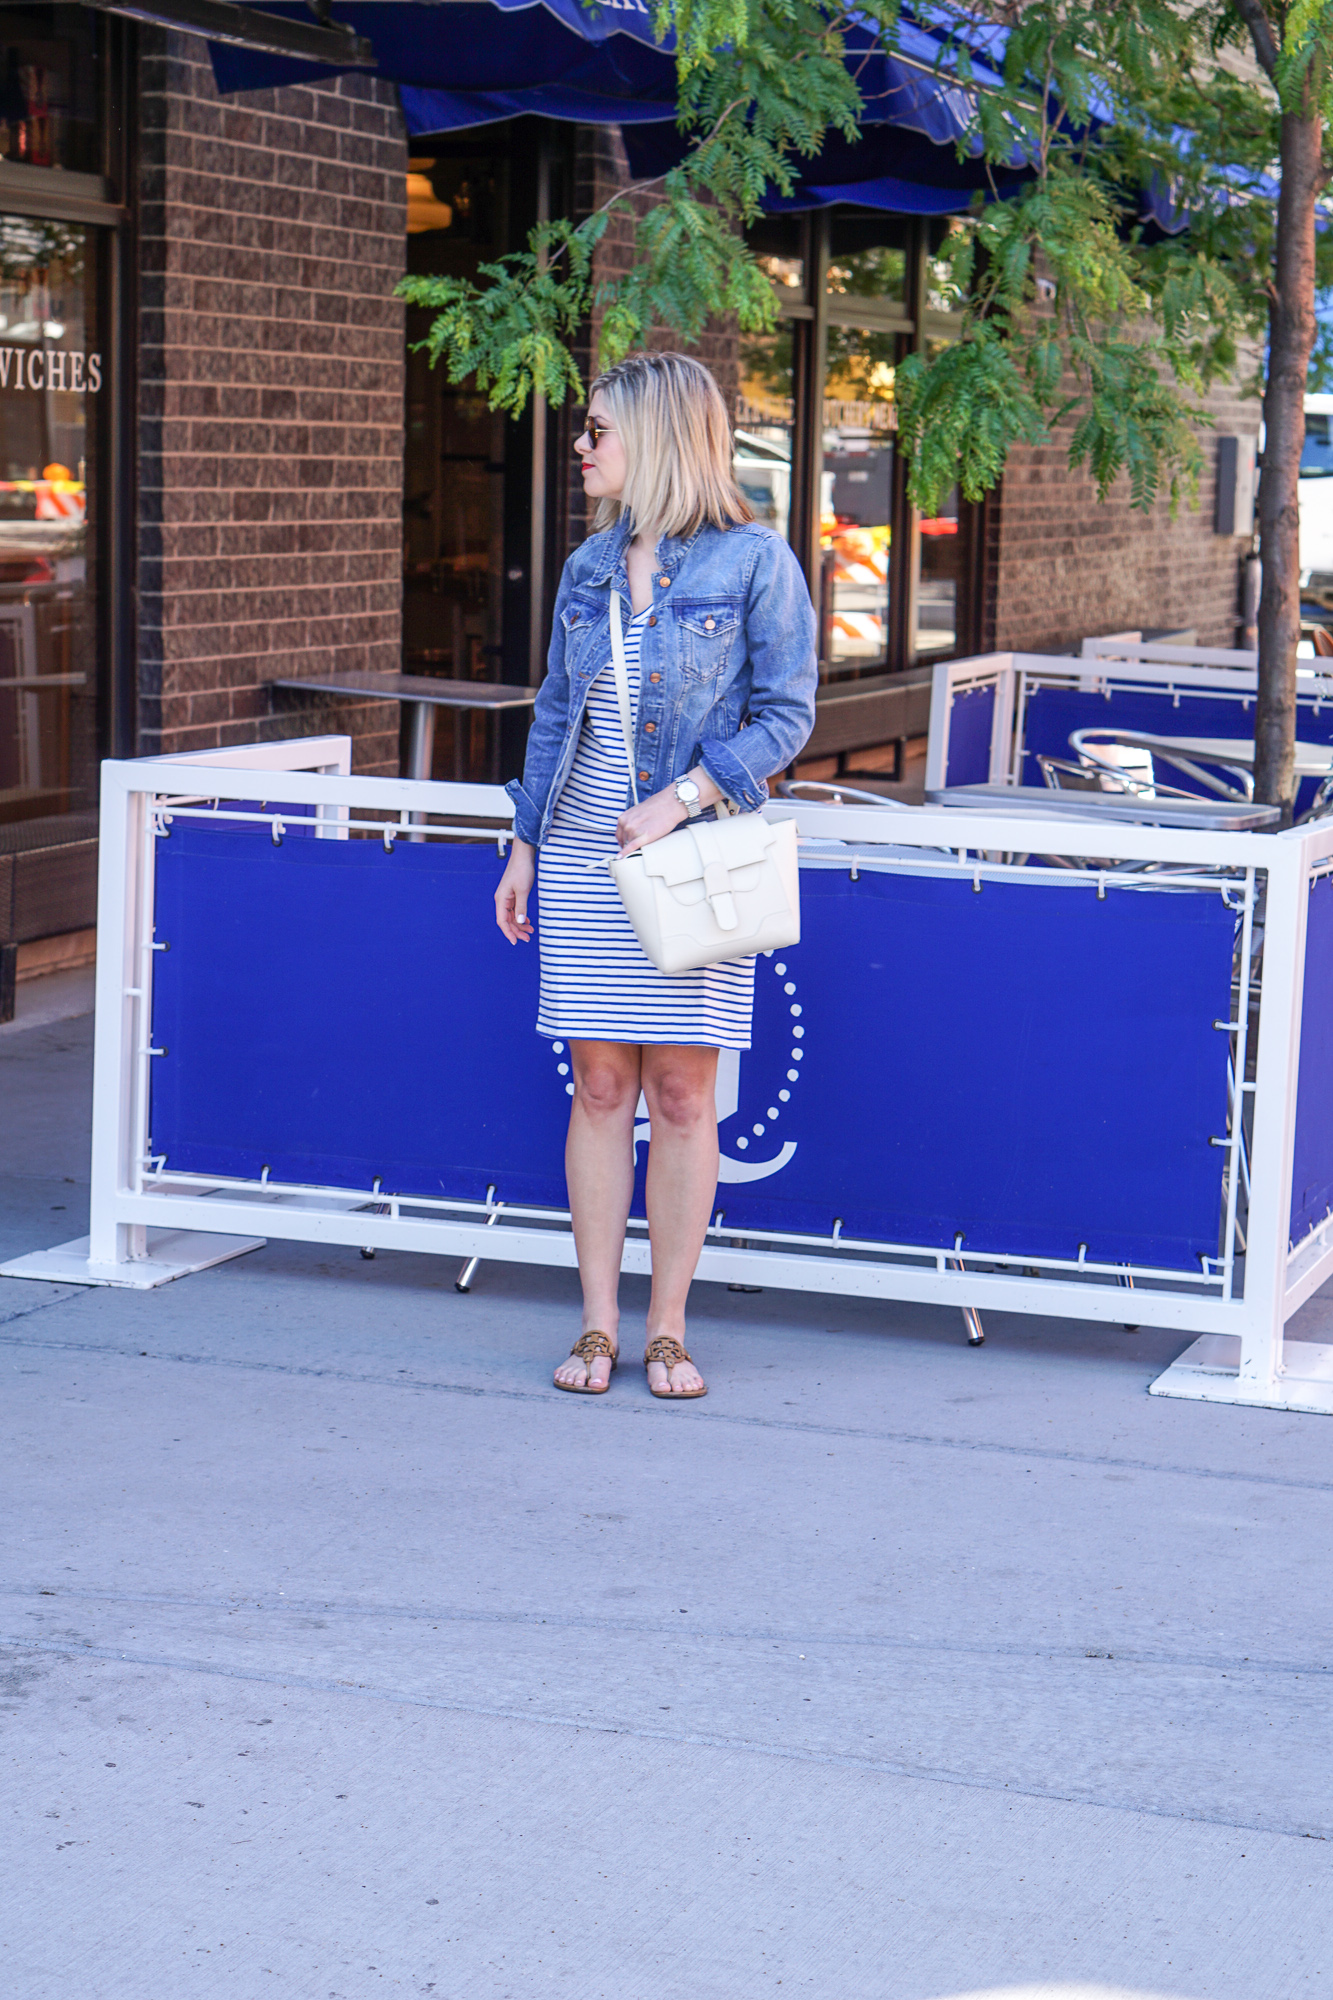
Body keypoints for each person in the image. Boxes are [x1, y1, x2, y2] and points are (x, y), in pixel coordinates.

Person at [494, 351, 818, 1399]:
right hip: (586, 846)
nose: (581, 448)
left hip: (686, 854)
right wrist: (526, 841)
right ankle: (595, 1324)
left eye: (597, 431)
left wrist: (682, 796)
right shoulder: (589, 567)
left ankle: (668, 1326)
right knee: (599, 1085)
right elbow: (555, 711)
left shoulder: (756, 561)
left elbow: (788, 716)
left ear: (661, 438)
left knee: (683, 1094)